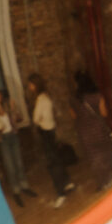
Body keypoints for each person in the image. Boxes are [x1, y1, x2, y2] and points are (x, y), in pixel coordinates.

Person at [25, 74, 72, 205]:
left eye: (30, 85)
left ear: (35, 85)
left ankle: (60, 193)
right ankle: (67, 183)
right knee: (57, 159)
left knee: (52, 163)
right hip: (51, 130)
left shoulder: (40, 100)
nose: (29, 87)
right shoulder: (47, 96)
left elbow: (35, 119)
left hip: (45, 133)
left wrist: (39, 121)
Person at [73, 67, 112, 189]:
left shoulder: (74, 100)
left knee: (94, 157)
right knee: (107, 152)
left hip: (85, 133)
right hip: (99, 129)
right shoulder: (98, 96)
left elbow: (74, 116)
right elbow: (104, 113)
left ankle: (102, 182)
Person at [0, 88, 29, 205]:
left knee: (19, 163)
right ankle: (16, 191)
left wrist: (14, 108)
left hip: (13, 136)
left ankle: (24, 186)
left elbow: (19, 118)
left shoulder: (6, 105)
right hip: (3, 140)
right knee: (10, 166)